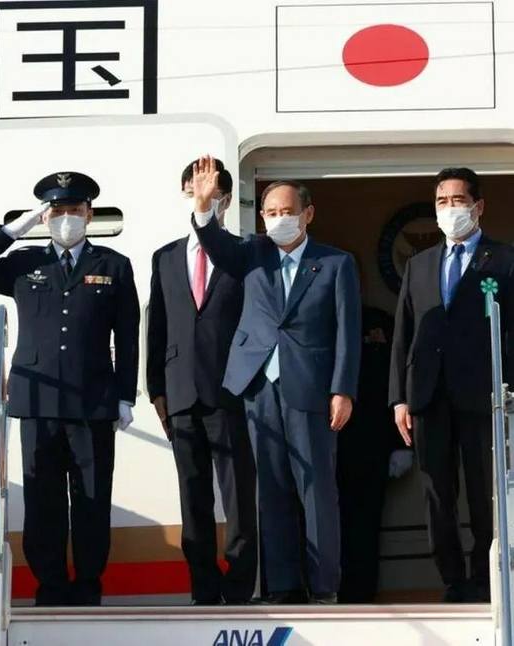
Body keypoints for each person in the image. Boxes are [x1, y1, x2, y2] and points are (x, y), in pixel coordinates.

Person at [0, 172, 140, 606]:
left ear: (88, 214)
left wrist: (124, 396)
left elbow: (129, 335)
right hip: (38, 400)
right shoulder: (24, 262)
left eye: (74, 211)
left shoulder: (113, 265)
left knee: (92, 499)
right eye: (57, 211)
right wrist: (13, 230)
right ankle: (50, 588)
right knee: (43, 501)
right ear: (46, 216)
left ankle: (88, 587)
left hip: (93, 401)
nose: (66, 218)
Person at [191, 156, 361, 604]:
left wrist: (343, 389)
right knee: (271, 486)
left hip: (312, 388)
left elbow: (348, 332)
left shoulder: (336, 263)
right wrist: (204, 205)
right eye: (271, 213)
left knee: (316, 490)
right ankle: (283, 584)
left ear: (307, 214)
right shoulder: (251, 253)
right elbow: (212, 241)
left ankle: (324, 585)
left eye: (287, 211)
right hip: (258, 386)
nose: (279, 219)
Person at [389, 167, 514, 603]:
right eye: (442, 202)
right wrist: (399, 398)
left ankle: (485, 579)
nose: (449, 209)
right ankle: (452, 580)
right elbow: (403, 333)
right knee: (437, 493)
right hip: (428, 396)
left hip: (484, 398)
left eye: (457, 201)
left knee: (484, 494)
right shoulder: (420, 264)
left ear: (478, 207)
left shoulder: (503, 259)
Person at [146, 159, 257, 605]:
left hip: (229, 393)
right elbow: (157, 326)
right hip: (180, 394)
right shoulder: (166, 256)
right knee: (193, 499)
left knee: (238, 500)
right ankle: (204, 589)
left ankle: (240, 586)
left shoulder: (244, 251)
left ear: (225, 199)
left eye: (210, 190)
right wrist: (156, 389)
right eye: (194, 188)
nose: (202, 195)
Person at [337, 303, 411, 603]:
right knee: (329, 526)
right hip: (329, 442)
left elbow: (395, 382)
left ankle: (362, 597)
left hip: (373, 442)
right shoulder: (322, 315)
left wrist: (400, 445)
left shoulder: (380, 321)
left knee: (366, 526)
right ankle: (328, 593)